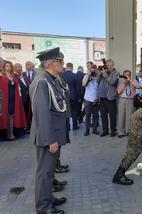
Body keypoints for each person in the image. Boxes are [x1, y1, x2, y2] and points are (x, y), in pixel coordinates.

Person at [29, 47, 68, 214]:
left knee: (50, 171)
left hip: (54, 135)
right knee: (44, 173)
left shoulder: (51, 79)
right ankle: (44, 207)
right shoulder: (42, 81)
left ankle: (49, 198)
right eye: (60, 62)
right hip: (48, 136)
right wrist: (50, 139)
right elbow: (41, 114)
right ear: (52, 63)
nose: (63, 65)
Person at [0, 61, 26, 140]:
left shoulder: (12, 76)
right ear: (3, 67)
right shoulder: (1, 76)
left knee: (11, 116)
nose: (8, 68)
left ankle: (11, 133)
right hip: (4, 100)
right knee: (6, 116)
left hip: (13, 99)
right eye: (6, 66)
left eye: (9, 66)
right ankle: (8, 134)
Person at [97, 59, 120, 137]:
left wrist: (105, 74)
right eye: (106, 65)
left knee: (112, 115)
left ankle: (113, 131)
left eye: (108, 65)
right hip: (102, 97)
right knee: (103, 115)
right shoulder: (104, 72)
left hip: (110, 97)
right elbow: (97, 81)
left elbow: (112, 82)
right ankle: (105, 130)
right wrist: (100, 74)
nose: (107, 66)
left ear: (112, 65)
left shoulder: (116, 73)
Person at [117, 70, 139, 138]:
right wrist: (124, 83)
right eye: (125, 75)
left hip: (130, 100)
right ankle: (121, 131)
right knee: (121, 116)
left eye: (128, 74)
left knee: (129, 116)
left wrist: (130, 80)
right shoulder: (121, 81)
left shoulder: (133, 81)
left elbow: (138, 86)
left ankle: (128, 131)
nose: (126, 76)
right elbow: (118, 92)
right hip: (122, 100)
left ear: (130, 75)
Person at [14, 63, 32, 134]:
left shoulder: (24, 76)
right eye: (18, 67)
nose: (20, 68)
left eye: (20, 67)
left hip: (27, 98)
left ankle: (27, 126)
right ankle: (23, 127)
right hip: (21, 99)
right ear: (14, 68)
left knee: (27, 112)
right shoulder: (14, 77)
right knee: (23, 113)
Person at [82, 64, 100, 136]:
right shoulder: (86, 76)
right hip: (88, 99)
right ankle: (87, 130)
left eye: (94, 70)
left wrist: (98, 73)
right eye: (92, 70)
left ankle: (95, 129)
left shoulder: (98, 77)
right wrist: (89, 75)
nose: (93, 71)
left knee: (96, 115)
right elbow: (83, 84)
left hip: (96, 99)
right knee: (88, 115)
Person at [61, 63, 79, 130]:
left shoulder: (62, 75)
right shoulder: (75, 75)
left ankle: (67, 126)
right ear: (72, 67)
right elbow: (77, 87)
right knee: (74, 111)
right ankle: (74, 125)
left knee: (66, 111)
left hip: (65, 96)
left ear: (67, 66)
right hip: (74, 96)